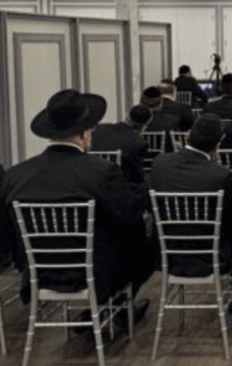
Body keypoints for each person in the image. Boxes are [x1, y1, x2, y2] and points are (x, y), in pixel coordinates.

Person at [3, 89, 153, 321]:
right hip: (94, 272)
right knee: (139, 240)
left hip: (37, 273)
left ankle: (105, 310)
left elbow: (7, 233)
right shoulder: (102, 171)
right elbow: (128, 217)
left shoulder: (15, 175)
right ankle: (114, 307)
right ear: (84, 134)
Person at [151, 114, 232, 293]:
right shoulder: (220, 174)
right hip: (212, 255)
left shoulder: (160, 163)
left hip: (169, 253)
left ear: (189, 135)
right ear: (218, 144)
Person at [91, 104, 151, 194]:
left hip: (92, 180)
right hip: (118, 187)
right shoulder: (139, 142)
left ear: (127, 116)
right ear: (143, 126)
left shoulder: (99, 128)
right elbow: (137, 176)